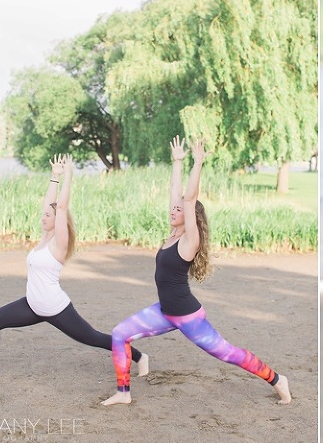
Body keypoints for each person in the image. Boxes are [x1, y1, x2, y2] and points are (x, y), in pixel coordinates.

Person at [101, 135, 291, 406]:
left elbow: (189, 198)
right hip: (165, 311)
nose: (173, 209)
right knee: (120, 333)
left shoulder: (189, 241)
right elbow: (176, 192)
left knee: (227, 353)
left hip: (188, 316)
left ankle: (277, 379)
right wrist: (177, 162)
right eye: (173, 207)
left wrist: (198, 162)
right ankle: (123, 392)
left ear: (189, 216)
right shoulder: (171, 234)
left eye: (179, 209)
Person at [0, 154, 148, 384]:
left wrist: (69, 175)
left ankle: (140, 357)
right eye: (43, 214)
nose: (44, 217)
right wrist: (54, 177)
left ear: (59, 220)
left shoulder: (59, 243)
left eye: (48, 216)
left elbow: (60, 207)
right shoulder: (44, 238)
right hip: (32, 305)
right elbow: (50, 204)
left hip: (54, 307)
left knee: (92, 337)